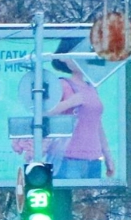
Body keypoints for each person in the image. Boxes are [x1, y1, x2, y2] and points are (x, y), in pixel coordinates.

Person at [46, 39, 115, 180]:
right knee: (62, 197)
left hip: (94, 157)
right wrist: (70, 102)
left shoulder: (92, 87)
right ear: (63, 58)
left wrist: (108, 155)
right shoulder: (62, 84)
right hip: (67, 156)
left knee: (88, 199)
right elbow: (45, 112)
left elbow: (97, 124)